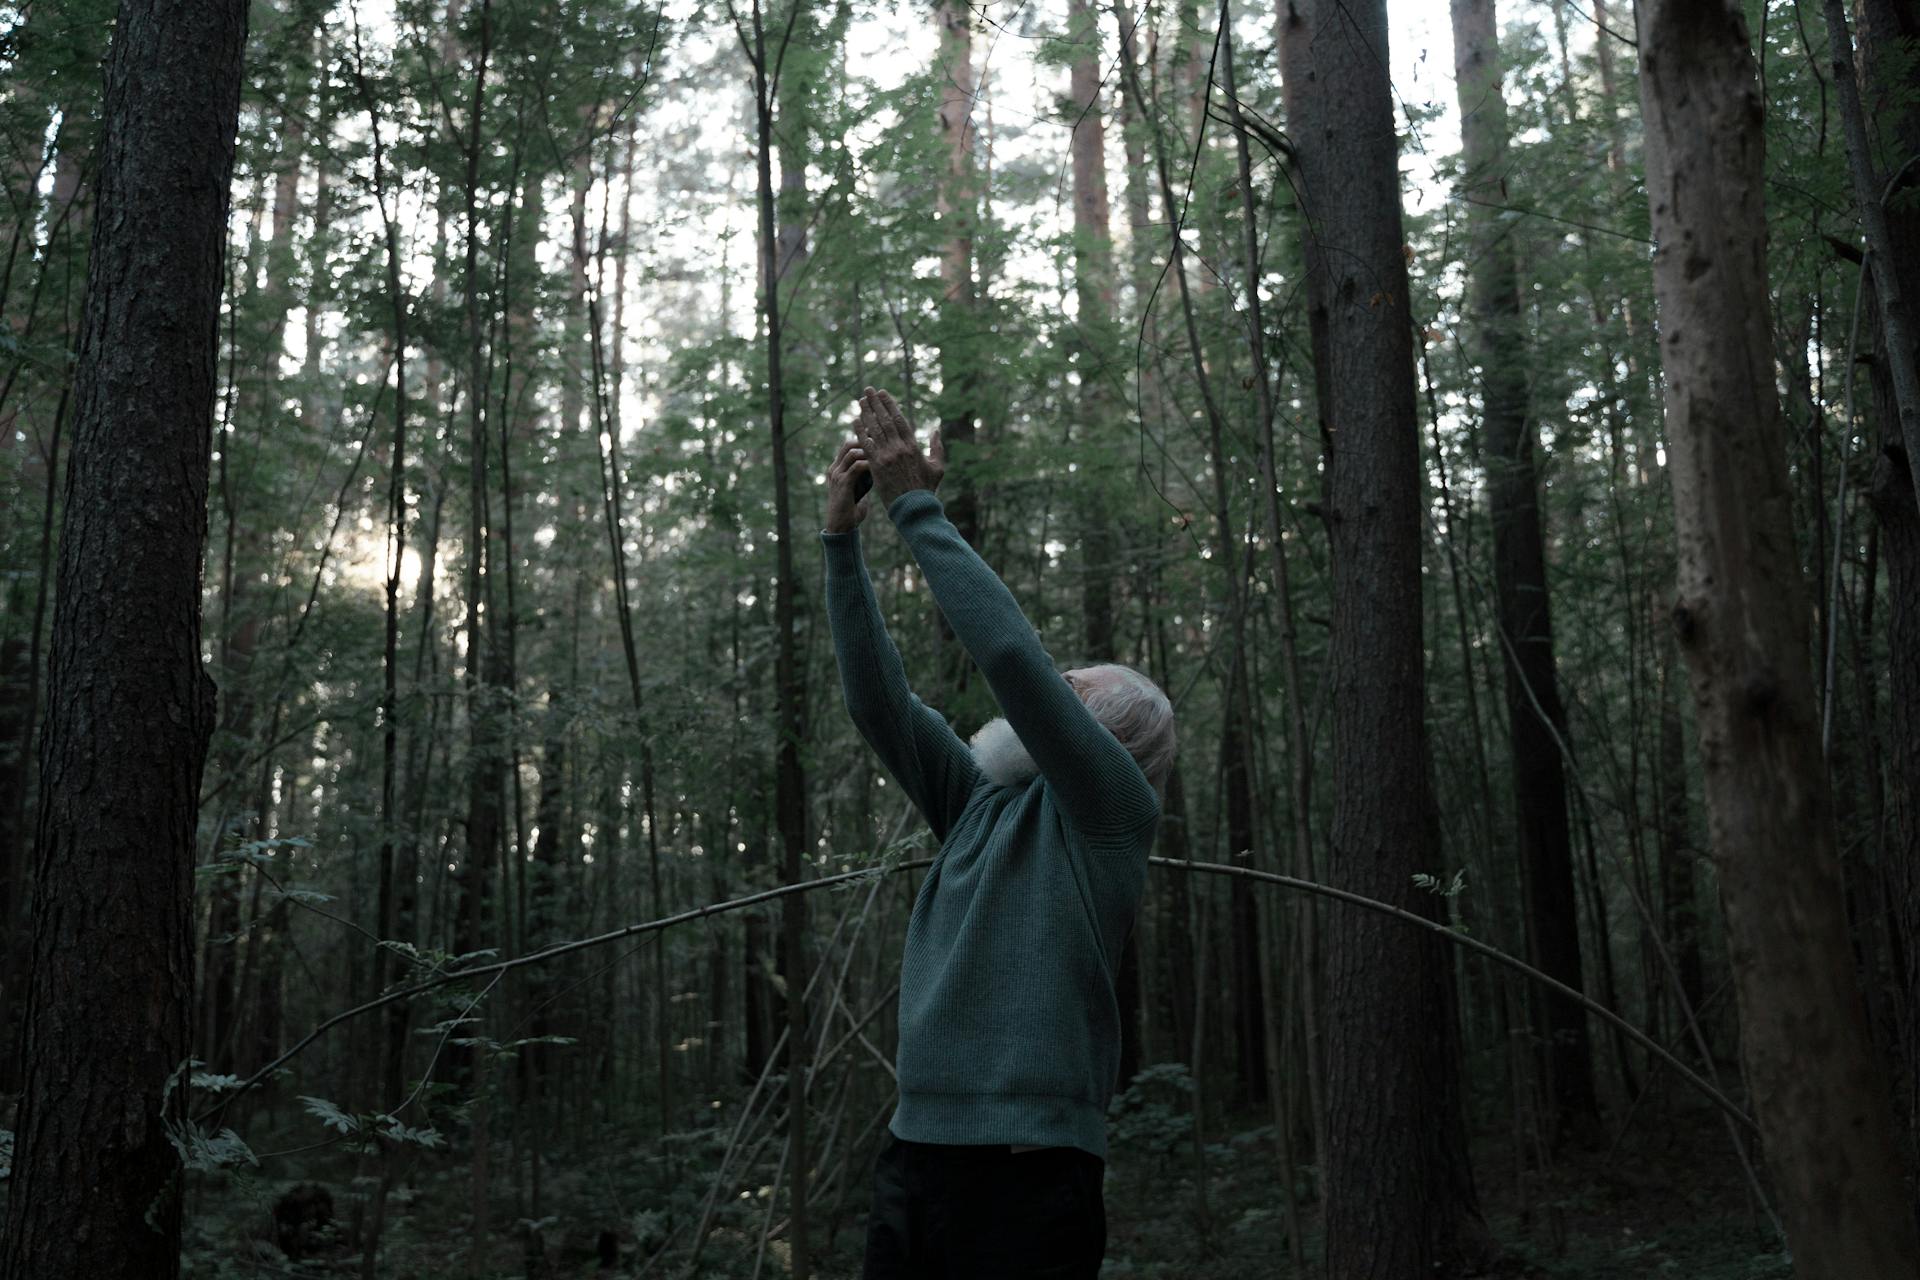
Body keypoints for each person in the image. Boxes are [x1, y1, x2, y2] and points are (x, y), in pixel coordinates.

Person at [822, 387, 1174, 1279]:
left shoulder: (1111, 814)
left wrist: (915, 506)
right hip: (914, 1151)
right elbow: (877, 704)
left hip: (1030, 1171)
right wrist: (841, 546)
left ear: (1111, 740)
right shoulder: (978, 801)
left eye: (1076, 688)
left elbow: (1012, 658)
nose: (1054, 682)